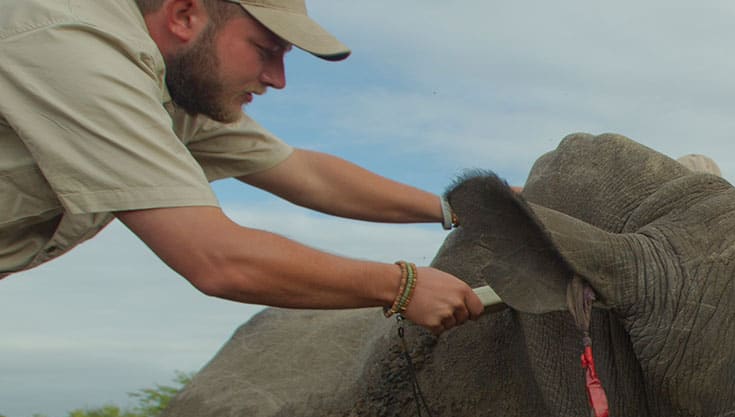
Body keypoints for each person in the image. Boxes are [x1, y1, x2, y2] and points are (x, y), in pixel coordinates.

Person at [1, 0, 483, 334]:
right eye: (266, 50)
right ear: (185, 14)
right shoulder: (76, 49)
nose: (278, 79)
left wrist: (470, 209)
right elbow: (217, 259)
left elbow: (305, 175)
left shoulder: (175, 95)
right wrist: (401, 285)